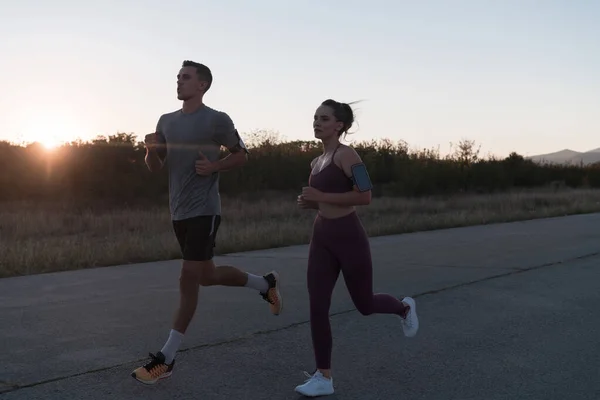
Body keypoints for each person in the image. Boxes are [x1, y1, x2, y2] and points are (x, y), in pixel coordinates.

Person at [131, 60, 283, 385]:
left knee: (189, 277)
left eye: (185, 78)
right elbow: (155, 168)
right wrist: (150, 150)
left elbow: (242, 154)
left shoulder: (216, 119)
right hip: (179, 212)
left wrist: (214, 167)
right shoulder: (165, 121)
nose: (179, 82)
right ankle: (265, 284)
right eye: (177, 77)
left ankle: (166, 358)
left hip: (205, 209)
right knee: (208, 276)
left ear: (202, 85)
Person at [294, 99, 419, 397]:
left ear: (339, 125)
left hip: (349, 236)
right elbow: (326, 199)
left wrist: (321, 195)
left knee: (364, 305)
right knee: (317, 304)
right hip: (322, 234)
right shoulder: (316, 162)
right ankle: (323, 376)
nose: (317, 122)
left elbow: (365, 196)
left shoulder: (348, 155)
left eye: (324, 118)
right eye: (315, 117)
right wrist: (312, 204)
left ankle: (403, 307)